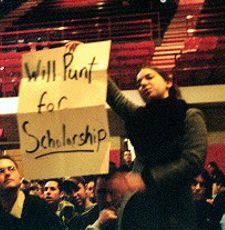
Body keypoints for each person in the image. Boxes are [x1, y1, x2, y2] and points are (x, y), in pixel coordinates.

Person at [106, 66, 208, 229]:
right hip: (141, 208)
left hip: (175, 211)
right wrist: (91, 63)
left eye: (149, 77)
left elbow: (193, 161)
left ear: (168, 82)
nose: (143, 84)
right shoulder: (140, 118)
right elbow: (114, 98)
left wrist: (146, 179)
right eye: (139, 83)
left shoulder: (189, 115)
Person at [0, 155, 64, 230]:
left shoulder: (40, 207)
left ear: (20, 177)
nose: (7, 173)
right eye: (1, 171)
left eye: (11, 169)